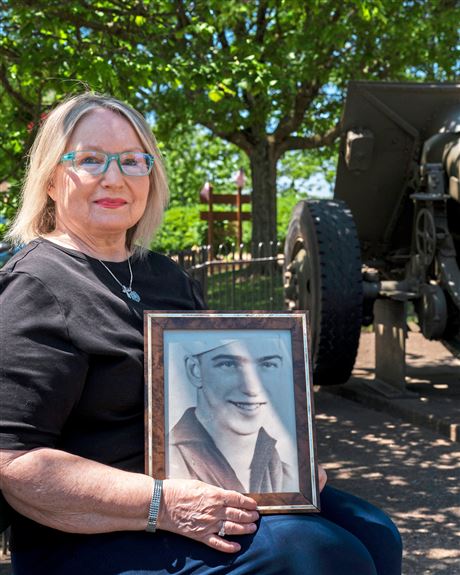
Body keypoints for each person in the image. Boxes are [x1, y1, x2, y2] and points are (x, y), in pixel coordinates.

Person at [0, 92, 402, 575]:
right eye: (89, 159)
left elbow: (217, 390)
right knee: (320, 554)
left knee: (375, 531)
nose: (114, 177)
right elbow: (15, 464)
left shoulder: (165, 277)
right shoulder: (35, 285)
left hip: (200, 487)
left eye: (132, 160)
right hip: (92, 529)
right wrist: (162, 504)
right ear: (49, 177)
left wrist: (292, 460)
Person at [168, 337, 298, 493]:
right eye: (229, 364)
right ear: (195, 370)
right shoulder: (169, 463)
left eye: (267, 365)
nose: (252, 388)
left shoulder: (287, 475)